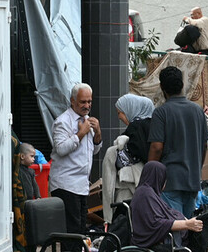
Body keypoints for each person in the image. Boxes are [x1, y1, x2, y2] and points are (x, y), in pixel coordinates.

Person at [148, 66, 208, 219]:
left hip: (170, 181)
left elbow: (156, 148)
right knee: (188, 224)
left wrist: (150, 175)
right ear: (182, 85)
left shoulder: (161, 112)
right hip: (192, 179)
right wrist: (197, 169)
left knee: (174, 225)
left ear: (162, 87)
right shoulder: (197, 111)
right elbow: (204, 145)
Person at [49, 83, 103, 242]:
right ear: (73, 101)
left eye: (89, 102)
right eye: (83, 102)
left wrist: (97, 133)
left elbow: (94, 150)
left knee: (80, 230)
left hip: (82, 185)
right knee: (71, 231)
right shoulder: (63, 121)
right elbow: (61, 149)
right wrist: (81, 133)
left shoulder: (87, 120)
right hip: (66, 184)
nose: (87, 106)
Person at [101, 94, 154, 223]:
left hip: (130, 187)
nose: (119, 117)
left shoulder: (135, 128)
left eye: (120, 113)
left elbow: (122, 160)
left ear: (131, 109)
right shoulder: (156, 127)